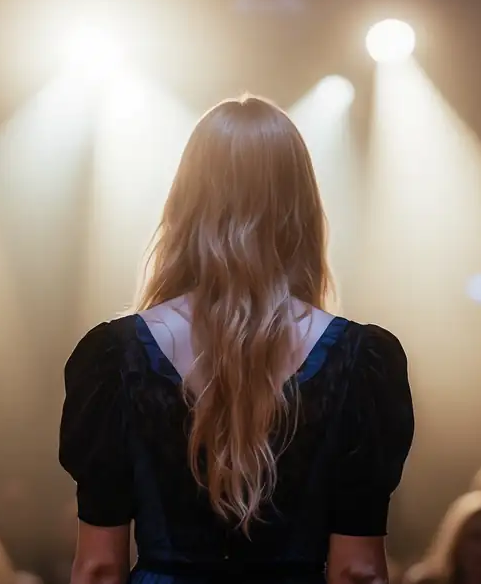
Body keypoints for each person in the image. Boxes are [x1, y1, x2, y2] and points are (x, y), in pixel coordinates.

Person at [58, 95, 415, 584]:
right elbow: (358, 569)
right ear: (302, 205)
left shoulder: (115, 359)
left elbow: (99, 567)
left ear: (185, 202)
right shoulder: (359, 362)